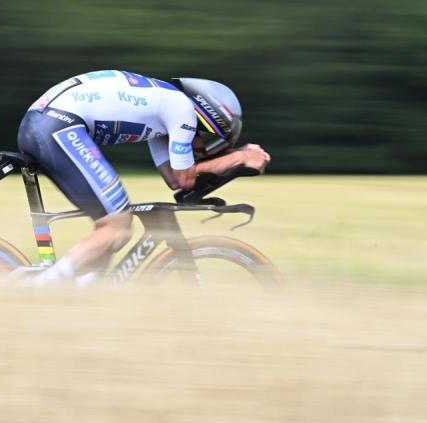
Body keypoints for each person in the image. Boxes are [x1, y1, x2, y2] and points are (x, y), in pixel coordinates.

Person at [17, 70, 270, 285]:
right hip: (57, 125)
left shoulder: (162, 112)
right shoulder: (181, 109)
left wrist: (228, 162)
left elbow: (173, 178)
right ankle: (41, 289)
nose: (202, 151)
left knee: (117, 234)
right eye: (208, 141)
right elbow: (185, 178)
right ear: (207, 118)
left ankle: (80, 291)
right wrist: (238, 157)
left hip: (47, 123)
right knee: (116, 226)